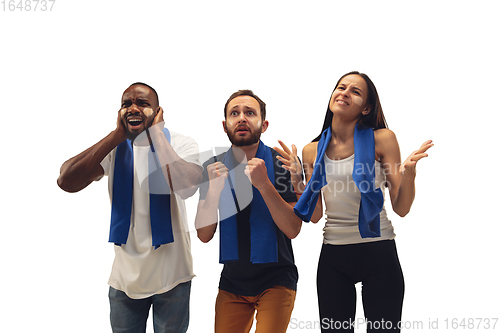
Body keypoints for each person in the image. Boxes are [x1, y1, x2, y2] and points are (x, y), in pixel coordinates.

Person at [275, 71, 433, 333]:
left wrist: (409, 176)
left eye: (355, 91)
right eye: (341, 87)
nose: (344, 93)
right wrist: (296, 179)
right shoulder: (311, 150)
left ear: (366, 108)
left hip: (379, 251)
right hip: (334, 256)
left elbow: (401, 208)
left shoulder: (383, 139)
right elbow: (314, 215)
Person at [57, 82, 202, 333]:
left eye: (142, 104)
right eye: (126, 104)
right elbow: (66, 181)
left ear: (158, 112)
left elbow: (186, 186)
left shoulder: (180, 143)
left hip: (173, 276)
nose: (133, 108)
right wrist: (116, 136)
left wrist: (156, 135)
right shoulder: (115, 150)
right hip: (125, 279)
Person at [195, 90, 302, 333]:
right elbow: (203, 234)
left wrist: (264, 184)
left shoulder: (282, 163)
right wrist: (213, 191)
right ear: (225, 125)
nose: (242, 118)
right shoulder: (212, 166)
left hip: (277, 278)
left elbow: (293, 229)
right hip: (232, 281)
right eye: (235, 113)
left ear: (263, 125)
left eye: (249, 113)